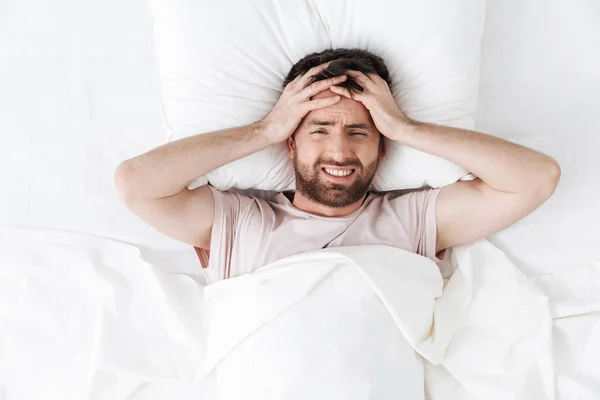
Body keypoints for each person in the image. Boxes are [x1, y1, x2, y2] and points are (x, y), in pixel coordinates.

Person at [114, 48, 561, 284]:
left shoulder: (413, 218)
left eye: (360, 132)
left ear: (383, 148)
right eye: (319, 129)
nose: (339, 152)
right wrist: (264, 130)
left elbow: (537, 179)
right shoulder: (239, 220)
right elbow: (136, 182)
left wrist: (405, 127)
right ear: (290, 144)